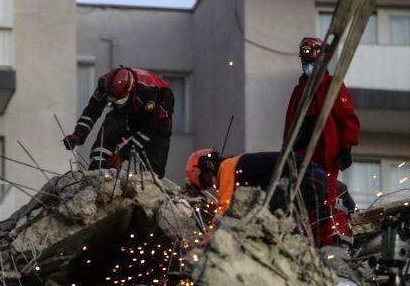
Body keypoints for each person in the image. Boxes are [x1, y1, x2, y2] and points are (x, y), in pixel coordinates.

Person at [284, 37, 360, 246]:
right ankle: (304, 245)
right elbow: (290, 126)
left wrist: (345, 148)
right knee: (300, 203)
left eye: (310, 62)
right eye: (304, 62)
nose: (306, 66)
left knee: (324, 204)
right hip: (299, 159)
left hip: (324, 158)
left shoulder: (331, 86)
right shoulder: (299, 91)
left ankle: (324, 246)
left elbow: (349, 119)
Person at [64, 66, 174, 178]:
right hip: (130, 110)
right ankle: (97, 167)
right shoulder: (104, 85)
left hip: (158, 116)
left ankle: (152, 179)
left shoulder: (150, 91)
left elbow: (148, 130)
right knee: (111, 121)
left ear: (129, 89)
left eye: (119, 101)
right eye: (112, 101)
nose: (117, 104)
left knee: (154, 164)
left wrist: (122, 155)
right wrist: (78, 134)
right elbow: (91, 112)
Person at [186, 149, 328, 224]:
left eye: (204, 181)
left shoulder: (227, 167)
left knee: (259, 209)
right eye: (205, 186)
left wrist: (208, 243)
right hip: (315, 180)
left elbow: (224, 210)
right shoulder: (237, 165)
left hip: (307, 179)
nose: (209, 185)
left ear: (208, 165)